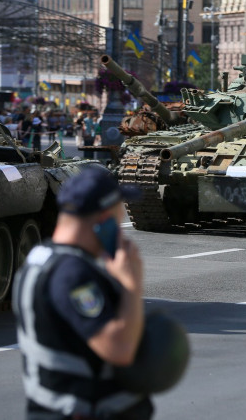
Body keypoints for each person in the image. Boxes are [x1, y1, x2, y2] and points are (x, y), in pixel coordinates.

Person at [12, 168, 152, 419]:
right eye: (118, 214)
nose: (120, 225)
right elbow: (118, 348)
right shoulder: (72, 274)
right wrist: (132, 284)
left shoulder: (41, 258)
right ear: (103, 218)